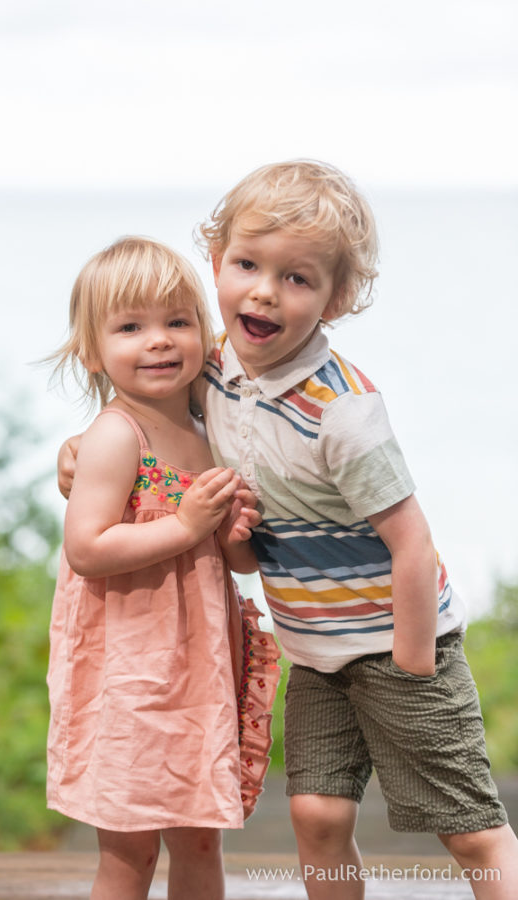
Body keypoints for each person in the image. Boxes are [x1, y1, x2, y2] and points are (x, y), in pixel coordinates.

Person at [58, 162, 518, 900]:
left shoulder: (343, 412)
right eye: (247, 265)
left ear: (335, 299)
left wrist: (410, 666)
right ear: (217, 266)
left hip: (395, 641)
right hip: (314, 651)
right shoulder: (212, 369)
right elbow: (146, 426)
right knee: (315, 811)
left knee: (466, 824)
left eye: (297, 279)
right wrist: (74, 453)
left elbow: (414, 544)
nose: (266, 290)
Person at [46, 236, 279, 900]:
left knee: (202, 836)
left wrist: (233, 533)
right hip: (130, 671)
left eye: (177, 322)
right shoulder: (118, 436)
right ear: (93, 350)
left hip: (197, 666)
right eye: (131, 327)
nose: (158, 341)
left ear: (204, 337)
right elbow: (87, 547)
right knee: (131, 848)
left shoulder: (209, 431)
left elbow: (230, 560)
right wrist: (184, 526)